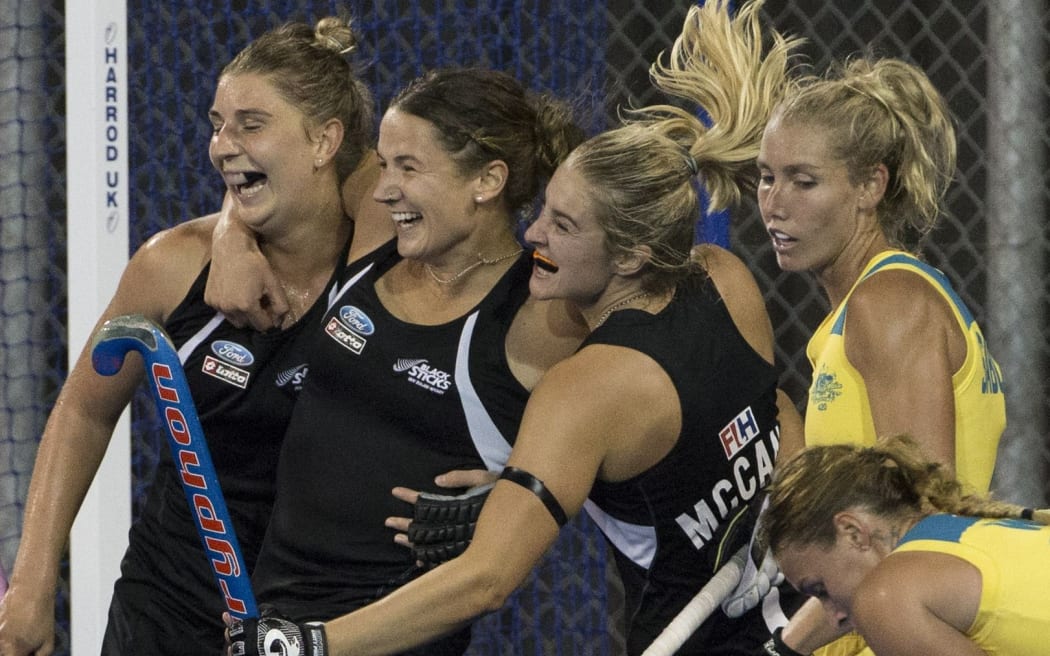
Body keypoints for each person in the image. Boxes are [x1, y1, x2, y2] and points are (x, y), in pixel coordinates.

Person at [226, 2, 805, 654]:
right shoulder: (726, 280)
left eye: (563, 225)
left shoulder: (584, 384)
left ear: (633, 253)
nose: (535, 234)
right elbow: (776, 412)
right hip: (809, 622)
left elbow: (485, 581)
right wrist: (232, 236)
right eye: (545, 212)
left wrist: (306, 644)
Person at [0, 17, 378, 656]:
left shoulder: (386, 263)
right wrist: (31, 585)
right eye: (216, 123)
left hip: (324, 624)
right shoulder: (171, 265)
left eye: (251, 124)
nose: (221, 145)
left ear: (324, 141)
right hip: (169, 608)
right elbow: (84, 409)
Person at [204, 65, 591, 655]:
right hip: (269, 622)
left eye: (409, 168)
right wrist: (231, 236)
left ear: (487, 180)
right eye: (384, 164)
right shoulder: (382, 235)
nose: (385, 187)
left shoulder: (541, 316)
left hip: (385, 639)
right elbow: (270, 168)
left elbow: (621, 420)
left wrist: (523, 491)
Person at [755, 31, 1006, 656]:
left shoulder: (887, 307)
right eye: (766, 178)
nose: (774, 206)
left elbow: (920, 525)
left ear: (871, 186)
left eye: (803, 182)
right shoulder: (853, 314)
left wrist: (788, 647)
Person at [759, 435, 1050, 656]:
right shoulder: (969, 527)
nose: (835, 616)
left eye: (820, 590)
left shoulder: (884, 598)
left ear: (853, 532)